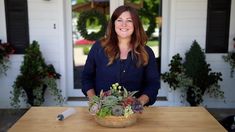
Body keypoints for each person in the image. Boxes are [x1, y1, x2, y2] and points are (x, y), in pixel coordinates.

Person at [81, 5, 160, 106]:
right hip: (103, 113)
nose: (124, 24)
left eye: (129, 20)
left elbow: (153, 84)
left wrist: (139, 103)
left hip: (134, 115)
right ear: (113, 23)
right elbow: (86, 77)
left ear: (135, 24)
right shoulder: (98, 48)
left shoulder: (146, 52)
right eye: (119, 20)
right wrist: (95, 102)